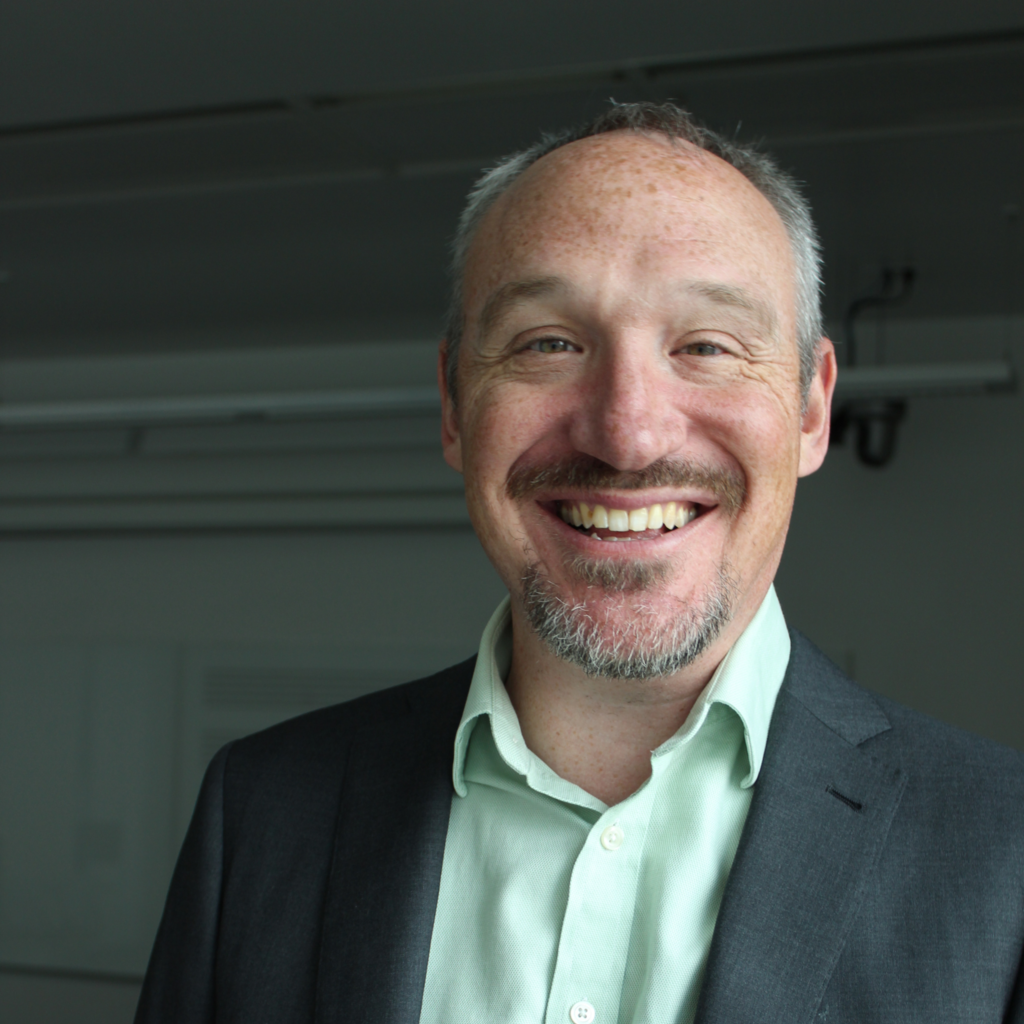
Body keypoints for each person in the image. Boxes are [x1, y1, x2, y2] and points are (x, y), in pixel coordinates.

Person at [134, 103, 1024, 1023]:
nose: (628, 435)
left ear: (809, 410)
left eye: (707, 346)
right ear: (453, 404)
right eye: (550, 344)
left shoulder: (1006, 852)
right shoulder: (267, 811)